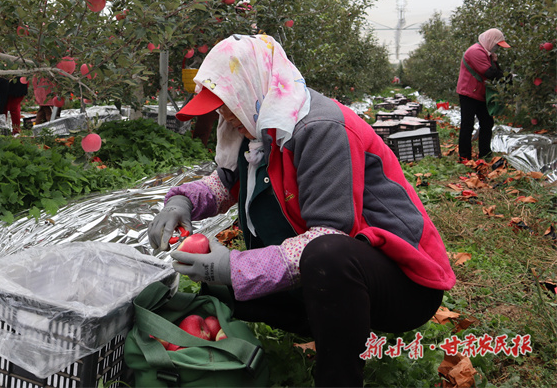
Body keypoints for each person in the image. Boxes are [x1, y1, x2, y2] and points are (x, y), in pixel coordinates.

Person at [147, 34, 455, 387]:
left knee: (327, 255)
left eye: (224, 101)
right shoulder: (258, 127)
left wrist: (234, 266)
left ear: (250, 85)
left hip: (402, 284)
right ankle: (316, 322)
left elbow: (329, 235)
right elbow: (224, 183)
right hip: (332, 281)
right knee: (221, 285)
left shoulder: (318, 128)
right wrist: (181, 201)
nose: (222, 113)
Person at [456, 28, 510, 161]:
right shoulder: (476, 52)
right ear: (491, 41)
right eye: (497, 45)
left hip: (480, 94)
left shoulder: (486, 53)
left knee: (487, 122)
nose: (497, 48)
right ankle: (464, 156)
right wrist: (508, 77)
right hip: (468, 93)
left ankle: (485, 154)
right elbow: (489, 73)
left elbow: (495, 71)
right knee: (467, 125)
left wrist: (495, 62)